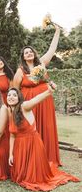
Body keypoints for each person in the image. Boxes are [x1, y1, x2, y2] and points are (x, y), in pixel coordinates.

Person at [7, 87, 79, 191]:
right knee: (18, 177)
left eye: (14, 95)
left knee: (32, 178)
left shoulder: (24, 106)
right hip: (20, 147)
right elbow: (12, 135)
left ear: (19, 98)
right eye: (9, 95)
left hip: (32, 144)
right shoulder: (10, 111)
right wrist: (10, 154)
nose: (11, 97)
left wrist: (49, 91)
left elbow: (35, 99)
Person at [13, 25, 61, 166]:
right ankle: (34, 156)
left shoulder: (42, 64)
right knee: (33, 127)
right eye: (25, 53)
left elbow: (52, 50)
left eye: (30, 51)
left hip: (45, 101)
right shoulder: (20, 71)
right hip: (30, 104)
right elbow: (15, 91)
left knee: (46, 127)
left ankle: (47, 156)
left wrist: (57, 31)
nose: (28, 53)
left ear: (34, 53)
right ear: (23, 57)